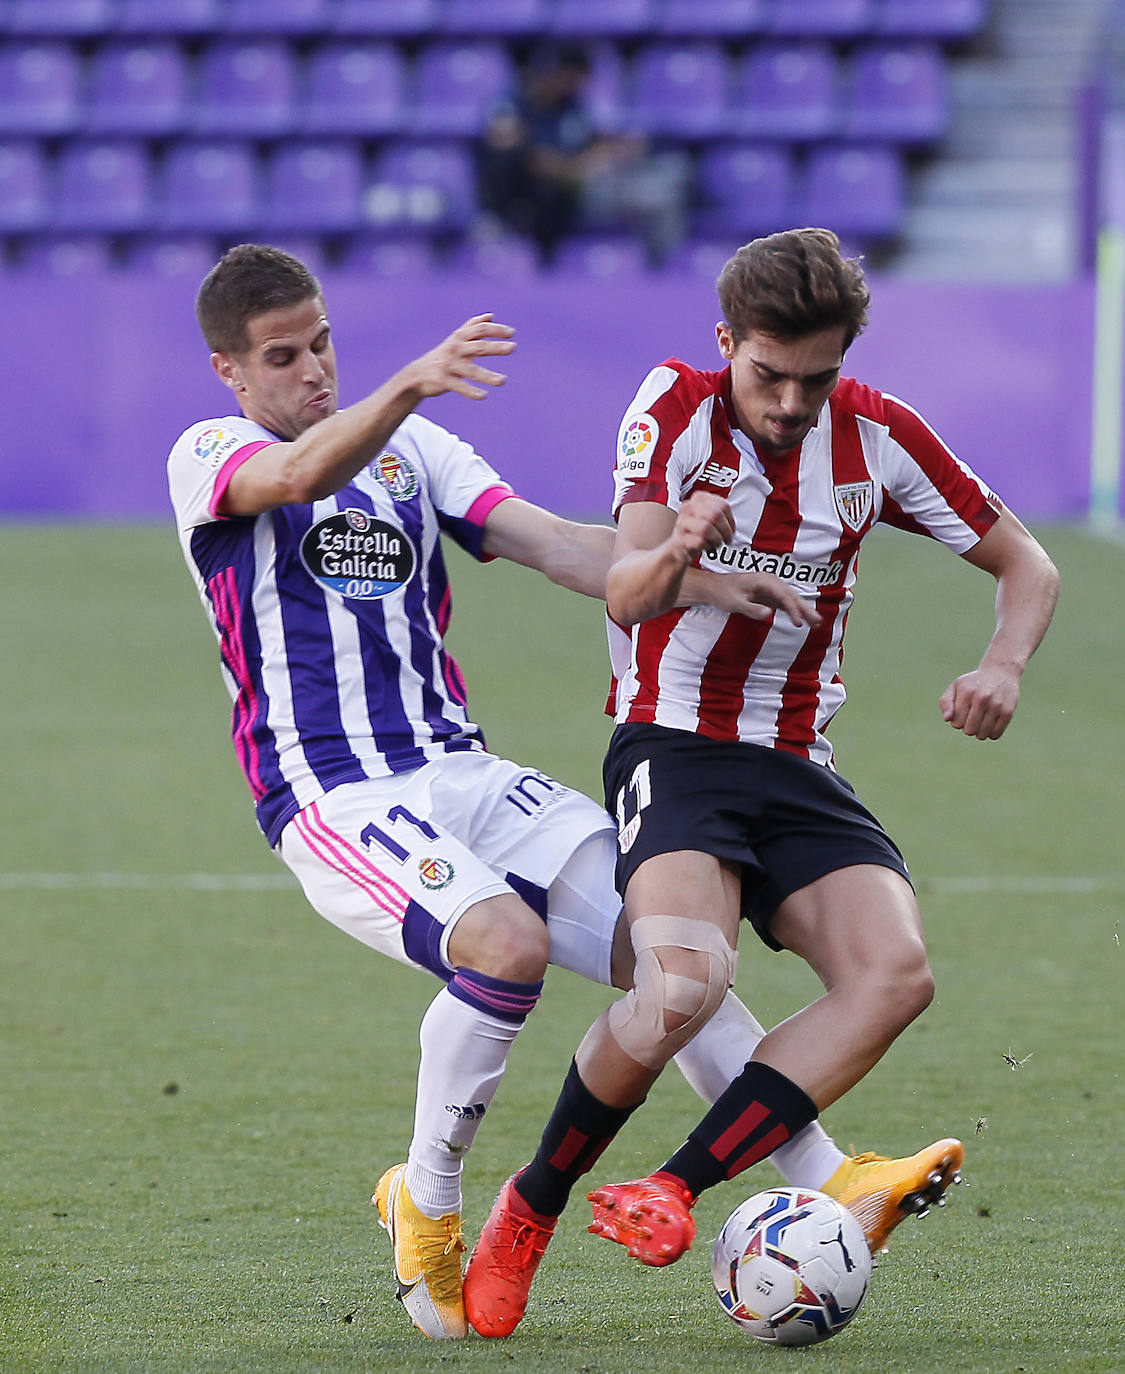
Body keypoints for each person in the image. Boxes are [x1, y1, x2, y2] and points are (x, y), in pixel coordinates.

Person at [166, 242, 865, 1344]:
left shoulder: (416, 452)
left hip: (462, 769)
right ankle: (429, 1199)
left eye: (322, 345)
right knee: (503, 945)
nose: (312, 372)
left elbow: (561, 549)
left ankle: (832, 1177)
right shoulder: (211, 451)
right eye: (282, 357)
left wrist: (684, 574)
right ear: (230, 371)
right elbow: (294, 481)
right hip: (333, 792)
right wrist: (404, 384)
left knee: (670, 950)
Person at [463, 227, 1060, 1338]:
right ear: (725, 340)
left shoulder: (876, 437)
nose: (788, 403)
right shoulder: (673, 409)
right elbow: (627, 596)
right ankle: (529, 1207)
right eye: (768, 374)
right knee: (682, 984)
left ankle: (672, 1188)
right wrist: (684, 546)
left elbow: (1025, 560)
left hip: (793, 763)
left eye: (814, 377)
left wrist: (1000, 665)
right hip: (673, 748)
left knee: (894, 975)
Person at [476, 42, 690, 268]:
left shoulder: (572, 108)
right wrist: (575, 166)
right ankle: (497, 223)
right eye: (572, 78)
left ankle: (663, 265)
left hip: (577, 191)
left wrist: (617, 149)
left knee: (663, 183)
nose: (576, 86)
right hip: (532, 195)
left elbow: (591, 144)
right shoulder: (513, 103)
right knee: (518, 168)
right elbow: (526, 158)